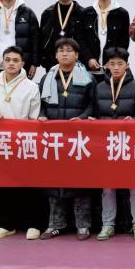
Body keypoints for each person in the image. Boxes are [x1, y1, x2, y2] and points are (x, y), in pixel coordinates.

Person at [0, 45, 42, 239]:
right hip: (0, 142)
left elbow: (35, 116)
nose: (11, 63)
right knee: (1, 184)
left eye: (16, 60)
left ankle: (34, 224)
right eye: (7, 60)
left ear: (23, 63)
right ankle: (5, 225)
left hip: (24, 141)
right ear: (2, 62)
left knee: (29, 184)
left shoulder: (31, 87)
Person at [38, 38, 96, 240]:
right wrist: (42, 116)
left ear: (77, 55)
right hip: (53, 139)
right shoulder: (47, 78)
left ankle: (83, 225)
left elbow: (93, 105)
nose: (65, 53)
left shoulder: (88, 78)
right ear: (55, 55)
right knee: (54, 182)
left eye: (69, 50)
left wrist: (82, 118)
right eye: (61, 50)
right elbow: (41, 105)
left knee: (80, 182)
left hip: (77, 139)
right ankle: (55, 224)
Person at [93, 47, 135, 242]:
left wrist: (134, 120)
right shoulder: (99, 87)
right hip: (107, 144)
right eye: (112, 64)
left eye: (120, 64)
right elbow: (95, 114)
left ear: (127, 65)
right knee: (108, 186)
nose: (116, 67)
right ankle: (107, 224)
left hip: (130, 143)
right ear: (106, 65)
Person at [80, 0, 131, 77]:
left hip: (111, 69)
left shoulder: (122, 13)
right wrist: (88, 58)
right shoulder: (86, 13)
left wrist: (113, 61)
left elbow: (124, 41)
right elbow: (81, 39)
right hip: (89, 68)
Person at [39, 0, 92, 71]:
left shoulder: (82, 13)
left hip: (77, 62)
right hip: (52, 61)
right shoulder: (48, 13)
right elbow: (42, 38)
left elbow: (86, 40)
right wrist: (43, 58)